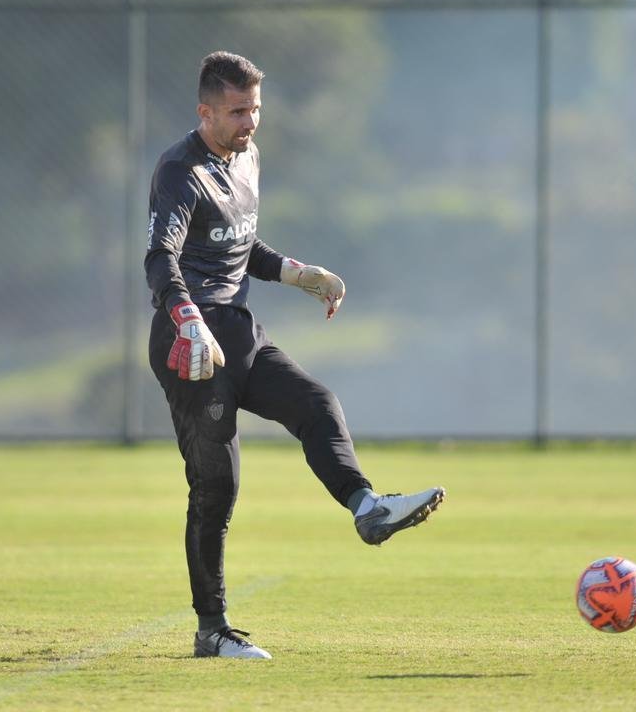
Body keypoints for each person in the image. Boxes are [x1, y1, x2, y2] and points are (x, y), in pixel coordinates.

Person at [144, 51, 445, 660]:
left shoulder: (248, 156)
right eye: (237, 111)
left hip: (237, 331)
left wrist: (296, 273)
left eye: (255, 108)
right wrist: (187, 318)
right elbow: (161, 257)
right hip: (191, 342)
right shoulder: (178, 171)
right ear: (205, 112)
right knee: (216, 487)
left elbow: (238, 244)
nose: (250, 121)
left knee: (316, 403)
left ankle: (367, 507)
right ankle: (212, 630)